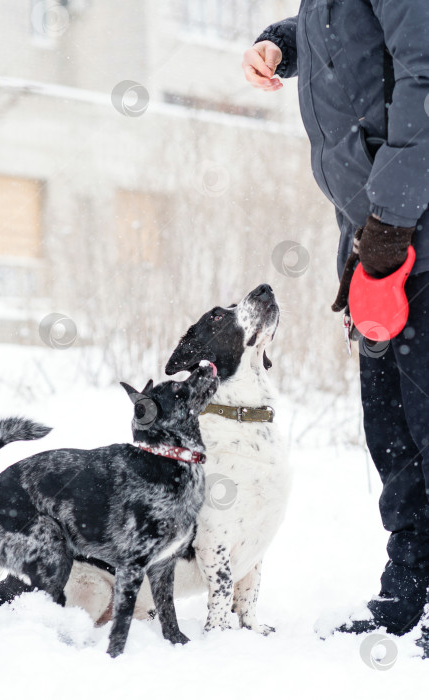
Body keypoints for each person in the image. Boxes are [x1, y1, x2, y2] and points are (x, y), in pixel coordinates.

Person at [242, 0, 429, 649]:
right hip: (371, 237)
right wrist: (281, 44)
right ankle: (407, 591)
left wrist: (394, 219)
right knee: (393, 431)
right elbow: (344, 37)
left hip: (406, 227)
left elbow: (424, 74)